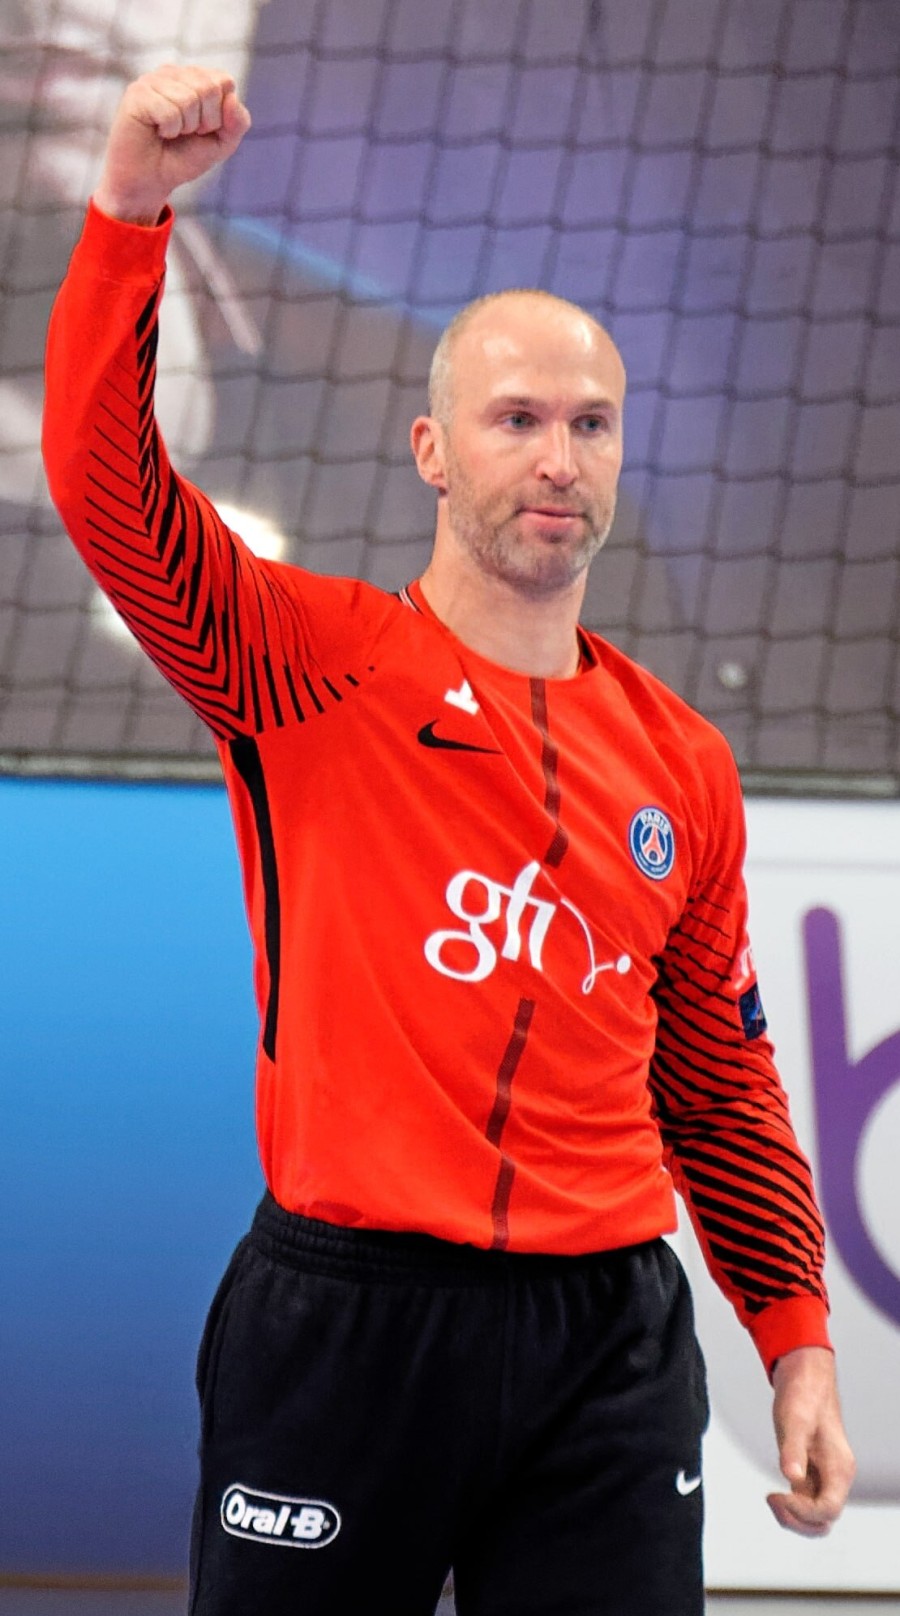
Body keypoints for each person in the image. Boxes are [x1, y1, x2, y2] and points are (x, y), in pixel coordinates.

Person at [43, 66, 855, 1616]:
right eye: (518, 420)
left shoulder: (683, 762)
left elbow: (718, 1080)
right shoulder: (301, 663)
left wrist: (796, 1340)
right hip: (347, 1322)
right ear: (431, 450)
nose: (559, 458)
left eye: (593, 424)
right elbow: (107, 494)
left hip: (609, 1346)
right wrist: (132, 213)